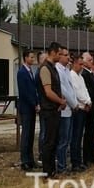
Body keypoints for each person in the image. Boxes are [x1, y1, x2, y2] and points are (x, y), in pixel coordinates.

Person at [35, 42, 66, 179]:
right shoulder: (45, 69)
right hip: (48, 111)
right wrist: (60, 101)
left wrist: (61, 100)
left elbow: (56, 89)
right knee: (49, 142)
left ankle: (52, 170)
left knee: (54, 141)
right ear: (52, 52)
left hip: (55, 109)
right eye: (59, 54)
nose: (60, 56)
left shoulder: (52, 68)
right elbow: (48, 92)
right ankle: (47, 172)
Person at [55, 46, 78, 174]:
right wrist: (74, 103)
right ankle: (61, 166)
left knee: (67, 140)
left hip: (70, 108)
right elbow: (64, 90)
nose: (68, 57)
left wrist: (74, 103)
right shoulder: (58, 70)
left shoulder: (66, 70)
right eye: (65, 55)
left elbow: (71, 89)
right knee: (63, 141)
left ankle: (64, 165)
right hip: (64, 110)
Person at [16, 49, 38, 171]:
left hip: (32, 107)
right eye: (31, 57)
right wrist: (33, 103)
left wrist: (36, 102)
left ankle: (30, 159)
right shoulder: (22, 72)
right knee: (26, 134)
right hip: (26, 108)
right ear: (25, 58)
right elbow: (25, 92)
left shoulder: (30, 72)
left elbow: (33, 90)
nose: (32, 59)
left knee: (30, 134)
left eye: (33, 57)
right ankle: (24, 160)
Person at [69, 53, 91, 172]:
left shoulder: (80, 76)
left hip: (84, 107)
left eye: (83, 64)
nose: (81, 67)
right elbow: (77, 93)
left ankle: (79, 160)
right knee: (75, 137)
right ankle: (75, 162)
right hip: (78, 109)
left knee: (79, 136)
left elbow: (85, 90)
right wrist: (87, 101)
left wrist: (89, 101)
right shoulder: (71, 76)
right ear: (74, 63)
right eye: (80, 64)